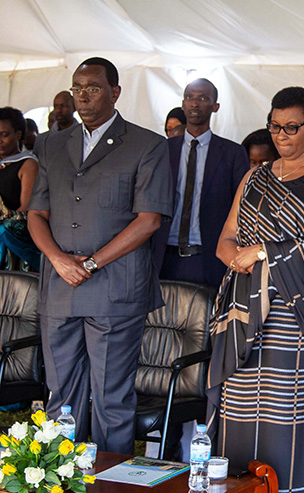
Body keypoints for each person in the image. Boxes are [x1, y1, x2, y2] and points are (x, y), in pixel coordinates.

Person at [206, 86, 304, 493]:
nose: (281, 135)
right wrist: (240, 259)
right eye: (275, 126)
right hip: (243, 310)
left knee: (287, 417)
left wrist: (262, 253)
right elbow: (226, 240)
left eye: (291, 127)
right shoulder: (255, 176)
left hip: (298, 313)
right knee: (237, 410)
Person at [28, 57, 173, 454]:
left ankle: (114, 483)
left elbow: (149, 221)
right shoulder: (51, 143)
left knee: (111, 398)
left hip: (115, 288)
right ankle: (59, 476)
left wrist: (90, 263)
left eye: (93, 87)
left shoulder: (147, 145)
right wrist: (58, 259)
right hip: (60, 287)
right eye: (77, 88)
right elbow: (36, 215)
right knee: (61, 397)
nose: (83, 96)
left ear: (115, 92)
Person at [153, 78, 249, 287]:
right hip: (163, 256)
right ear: (183, 104)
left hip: (209, 258)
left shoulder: (232, 154)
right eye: (189, 98)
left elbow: (242, 209)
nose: (194, 104)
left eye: (203, 98)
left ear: (215, 107)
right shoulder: (162, 150)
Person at [0, 107, 40, 269]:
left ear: (18, 135)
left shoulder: (28, 164)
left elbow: (25, 210)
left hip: (14, 235)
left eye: (4, 135)